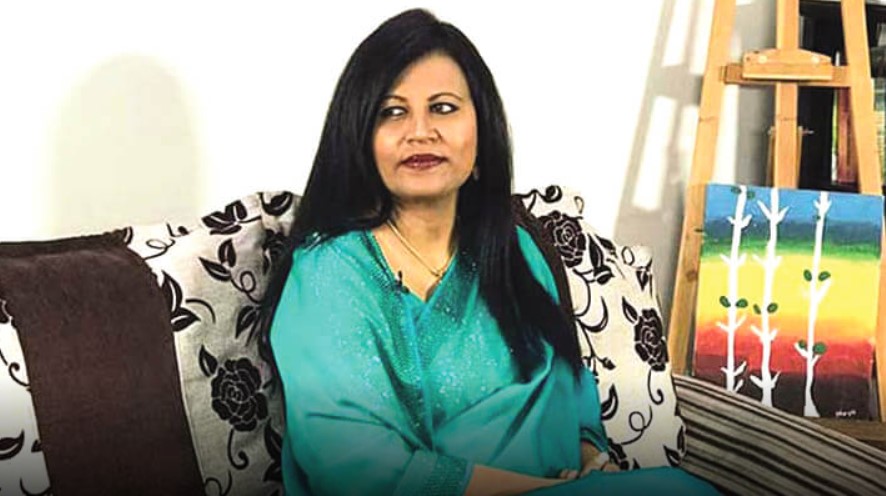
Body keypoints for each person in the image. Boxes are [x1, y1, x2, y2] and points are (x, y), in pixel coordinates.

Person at [264, 8, 720, 496]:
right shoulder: (330, 272)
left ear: (482, 136)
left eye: (443, 108)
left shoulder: (510, 247)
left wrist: (592, 460)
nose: (420, 131)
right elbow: (351, 463)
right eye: (392, 112)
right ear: (359, 138)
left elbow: (569, 388)